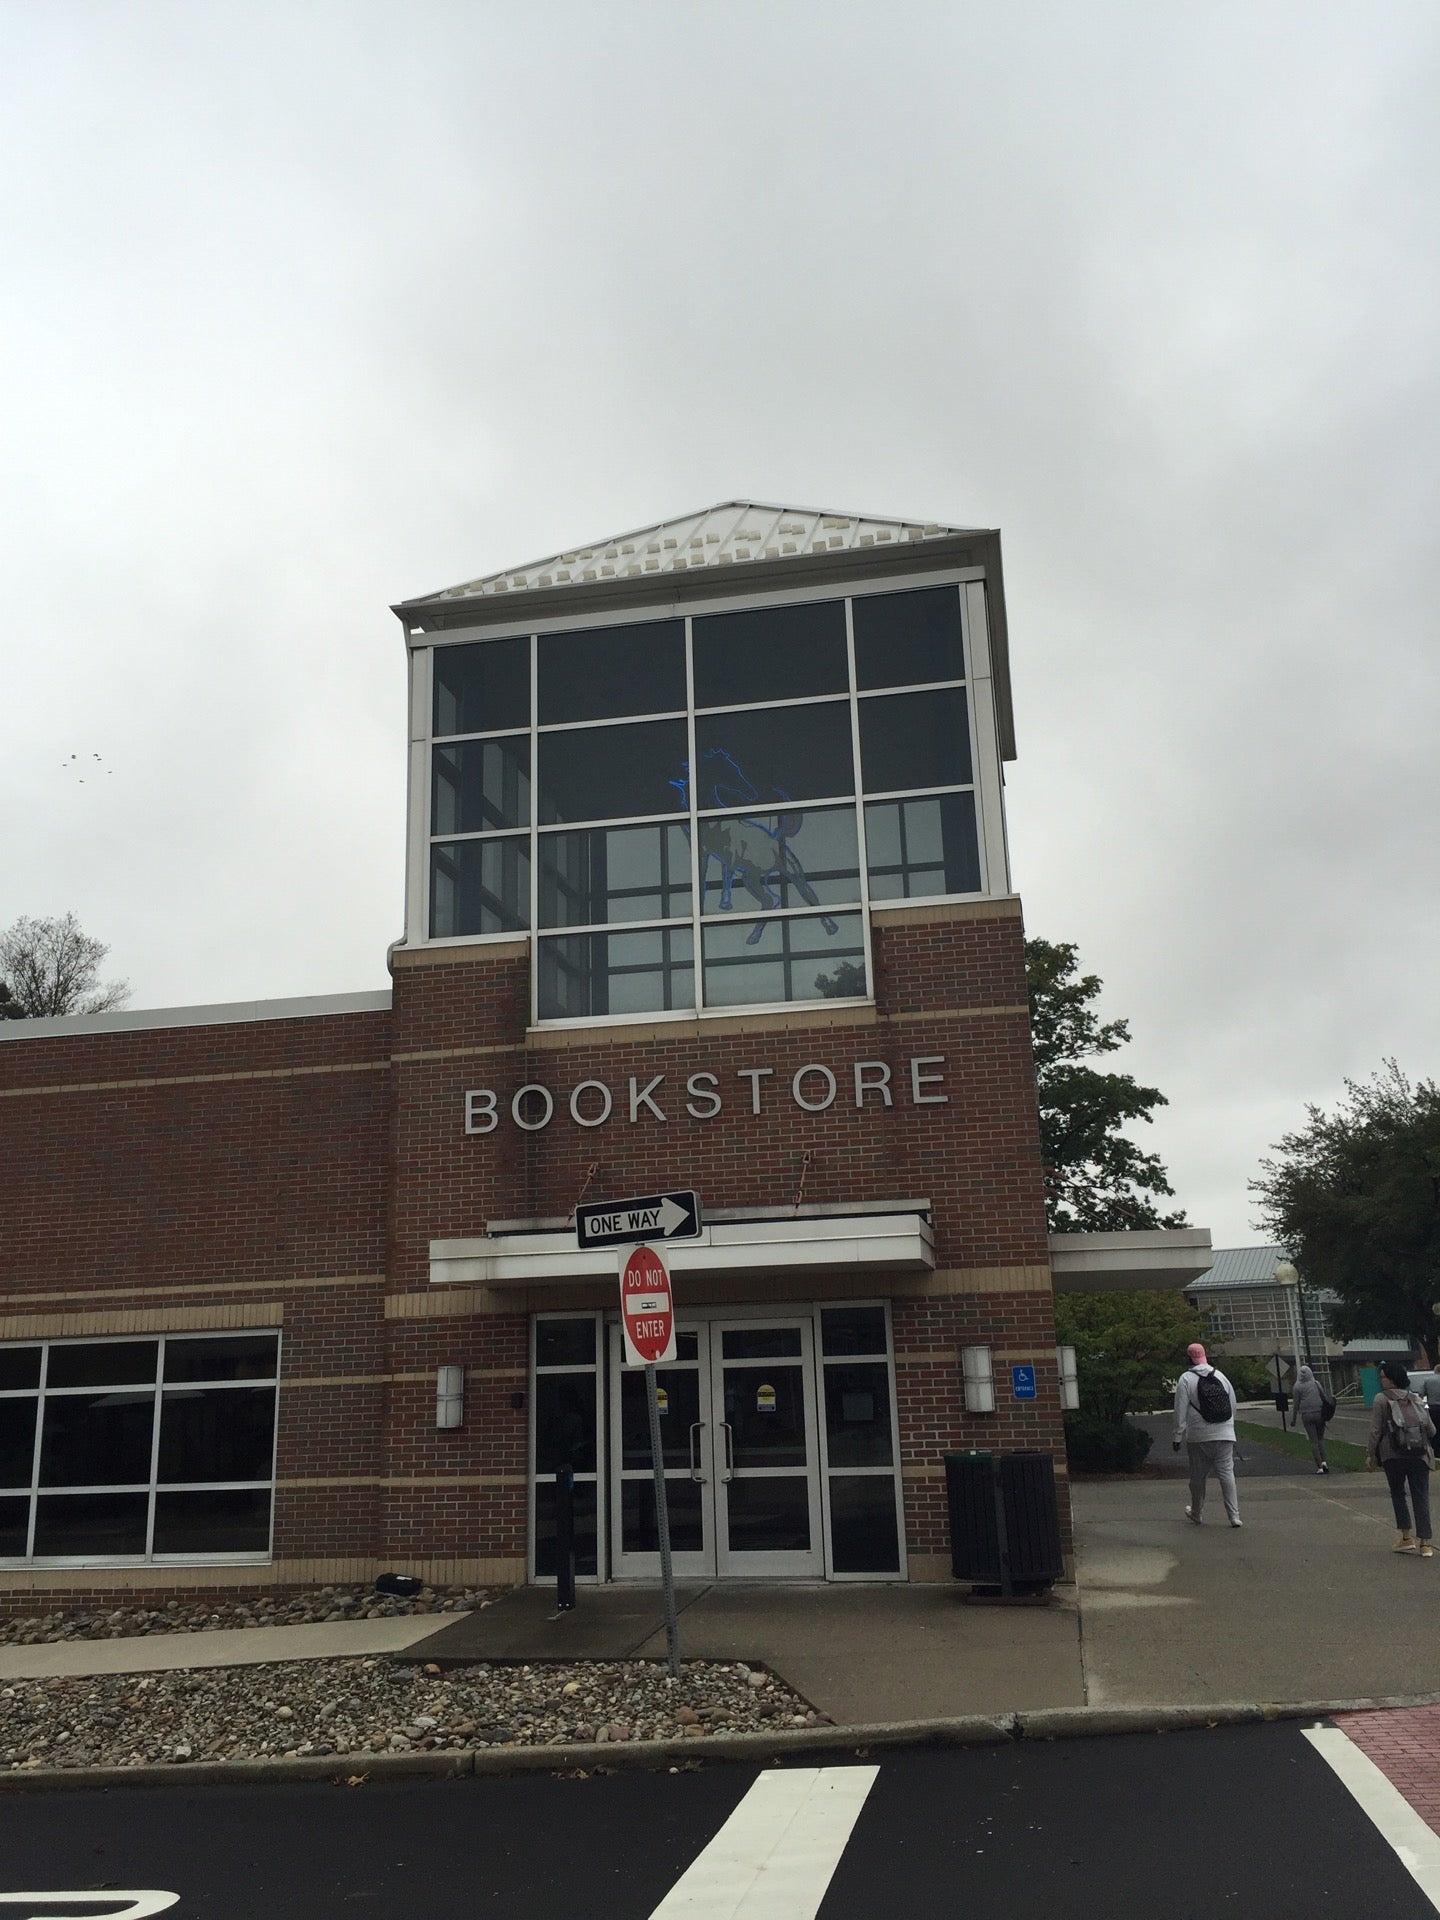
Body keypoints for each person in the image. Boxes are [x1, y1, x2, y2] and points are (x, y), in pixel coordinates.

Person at [1365, 1360, 1436, 1556]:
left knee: (1398, 1494)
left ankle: (1406, 1537)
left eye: (1383, 1377)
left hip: (1392, 1455)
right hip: (1419, 1455)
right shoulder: (1415, 1398)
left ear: (1392, 1379)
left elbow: (1375, 1430)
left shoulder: (1381, 1399)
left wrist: (1370, 1453)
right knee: (1420, 1496)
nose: (1381, 1381)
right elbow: (1431, 1429)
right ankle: (1425, 1543)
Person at [1173, 1341, 1242, 1528]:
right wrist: (1230, 1427)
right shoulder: (1220, 1376)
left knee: (1198, 1477)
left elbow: (1180, 1410)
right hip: (1225, 1432)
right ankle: (1234, 1516)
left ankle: (1197, 1512)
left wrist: (1177, 1437)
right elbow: (1232, 1404)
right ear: (1205, 1357)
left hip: (1199, 1435)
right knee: (1227, 1475)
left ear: (1188, 1358)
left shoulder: (1186, 1379)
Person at [1292, 1364, 1330, 1473]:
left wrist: (1294, 1419)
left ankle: (1319, 1467)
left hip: (1306, 1415)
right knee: (1320, 1439)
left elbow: (1296, 1404)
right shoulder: (1315, 1384)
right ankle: (1324, 1462)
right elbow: (1323, 1397)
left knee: (1313, 1441)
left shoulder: (1297, 1387)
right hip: (1319, 1413)